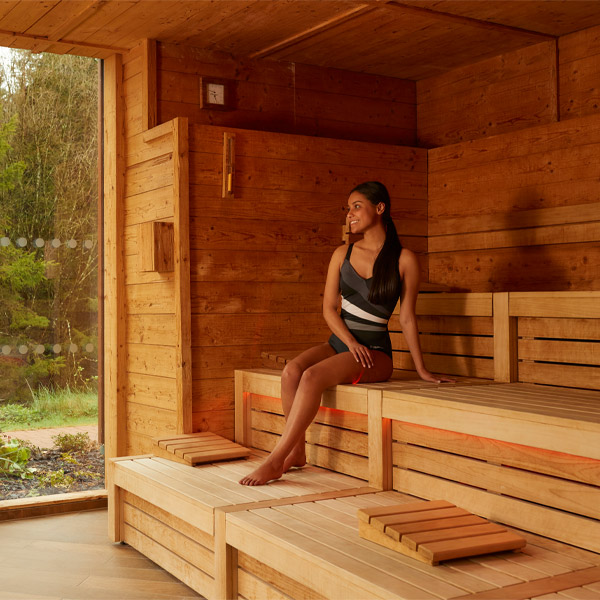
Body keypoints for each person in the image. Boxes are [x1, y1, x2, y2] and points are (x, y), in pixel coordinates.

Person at [239, 181, 452, 486]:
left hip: (375, 352)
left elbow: (406, 317)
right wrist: (349, 342)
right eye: (347, 208)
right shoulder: (342, 254)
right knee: (292, 372)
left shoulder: (404, 260)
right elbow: (329, 309)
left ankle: (275, 460)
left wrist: (422, 370)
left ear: (380, 208)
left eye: (356, 206)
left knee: (312, 377)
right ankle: (296, 452)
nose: (349, 214)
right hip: (343, 344)